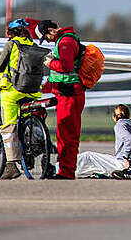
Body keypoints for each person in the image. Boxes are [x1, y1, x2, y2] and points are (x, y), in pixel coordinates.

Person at [0, 19, 45, 179]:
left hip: (13, 91)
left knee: (9, 127)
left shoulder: (11, 45)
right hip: (33, 91)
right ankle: (33, 148)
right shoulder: (34, 46)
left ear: (11, 33)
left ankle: (11, 165)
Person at [39, 19, 86, 179]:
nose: (47, 40)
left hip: (70, 95)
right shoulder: (64, 39)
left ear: (51, 30)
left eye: (46, 37)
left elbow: (65, 67)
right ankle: (65, 169)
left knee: (67, 136)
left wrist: (50, 63)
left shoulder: (65, 41)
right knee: (63, 134)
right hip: (66, 94)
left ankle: (67, 171)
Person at [76, 104, 131, 178]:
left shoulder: (120, 124)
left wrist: (126, 157)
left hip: (122, 163)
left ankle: (65, 167)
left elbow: (129, 139)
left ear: (115, 116)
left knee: (88, 156)